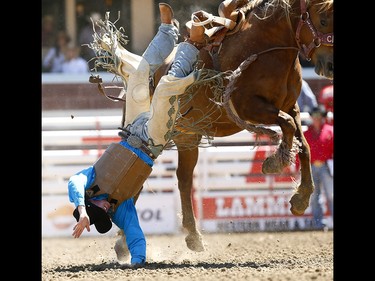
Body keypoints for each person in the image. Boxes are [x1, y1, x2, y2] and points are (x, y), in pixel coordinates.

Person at [68, 2, 206, 266]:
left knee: (140, 74)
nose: (107, 211)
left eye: (102, 212)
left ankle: (167, 30)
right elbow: (135, 235)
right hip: (152, 141)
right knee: (165, 88)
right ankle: (191, 47)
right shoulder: (121, 209)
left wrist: (83, 211)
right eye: (106, 216)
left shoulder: (89, 183)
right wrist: (138, 261)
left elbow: (73, 182)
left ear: (92, 204)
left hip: (131, 129)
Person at [304, 105, 334, 229]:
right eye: (314, 116)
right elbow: (302, 152)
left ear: (322, 117)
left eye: (319, 116)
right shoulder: (306, 133)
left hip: (326, 165)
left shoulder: (330, 130)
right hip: (311, 166)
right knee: (314, 196)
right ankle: (318, 223)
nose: (316, 118)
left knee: (331, 195)